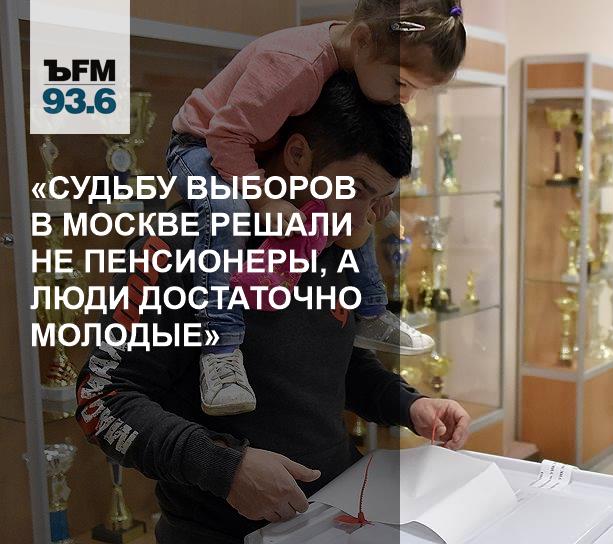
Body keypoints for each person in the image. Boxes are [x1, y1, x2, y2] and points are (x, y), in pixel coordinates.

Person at [76, 73, 471, 544]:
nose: (365, 215)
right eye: (357, 187)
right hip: (217, 533)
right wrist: (227, 469)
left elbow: (333, 362)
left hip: (336, 515)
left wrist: (410, 404)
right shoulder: (177, 244)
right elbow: (102, 398)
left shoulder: (335, 239)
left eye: (381, 197)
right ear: (298, 155)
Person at [167, 0, 467, 415]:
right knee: (227, 213)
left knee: (352, 207)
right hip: (200, 144)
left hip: (250, 143)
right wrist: (262, 198)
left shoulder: (355, 59)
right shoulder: (296, 67)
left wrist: (377, 196)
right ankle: (221, 348)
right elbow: (226, 136)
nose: (406, 99)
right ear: (362, 40)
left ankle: (372, 310)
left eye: (417, 89)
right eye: (401, 83)